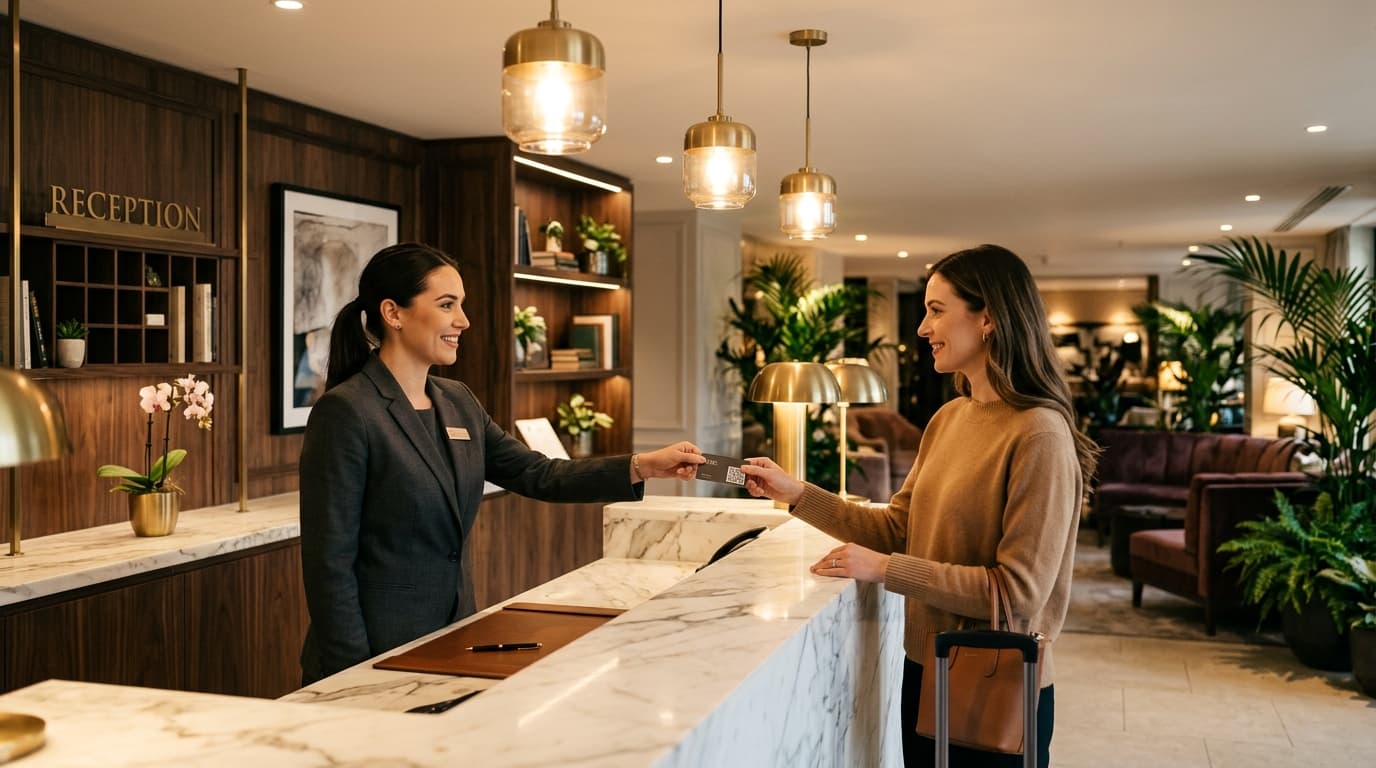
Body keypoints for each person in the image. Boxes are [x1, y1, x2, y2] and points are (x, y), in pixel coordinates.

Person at [740, 244, 1097, 767]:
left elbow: (1017, 592)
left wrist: (886, 570)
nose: (922, 330)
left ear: (989, 319)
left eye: (936, 310)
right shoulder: (949, 418)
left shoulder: (1039, 433)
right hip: (926, 668)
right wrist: (796, 493)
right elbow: (897, 528)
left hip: (994, 681)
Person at [299, 242, 704, 685]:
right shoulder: (347, 412)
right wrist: (351, 675)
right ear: (393, 313)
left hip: (450, 640)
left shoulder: (458, 402)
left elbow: (540, 474)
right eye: (447, 305)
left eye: (462, 305)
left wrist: (642, 465)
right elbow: (329, 566)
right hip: (371, 654)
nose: (463, 321)